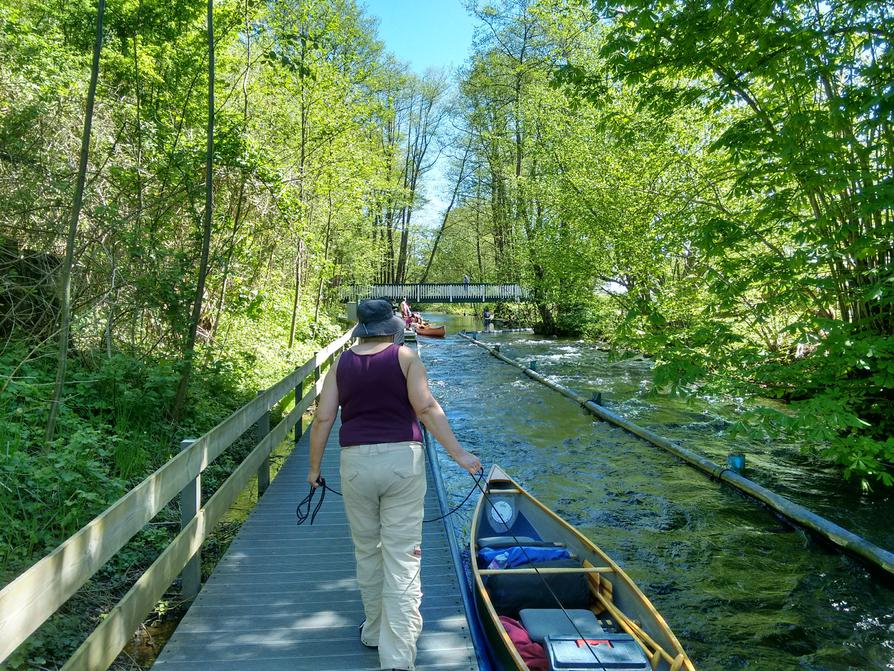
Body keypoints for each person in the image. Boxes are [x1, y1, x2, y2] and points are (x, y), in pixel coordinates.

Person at [307, 298, 481, 671]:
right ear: (391, 325)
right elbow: (427, 409)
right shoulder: (405, 358)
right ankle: (398, 659)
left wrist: (314, 469)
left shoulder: (343, 363)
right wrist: (460, 455)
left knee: (368, 551)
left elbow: (323, 419)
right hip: (403, 461)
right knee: (403, 558)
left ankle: (373, 630)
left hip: (355, 463)